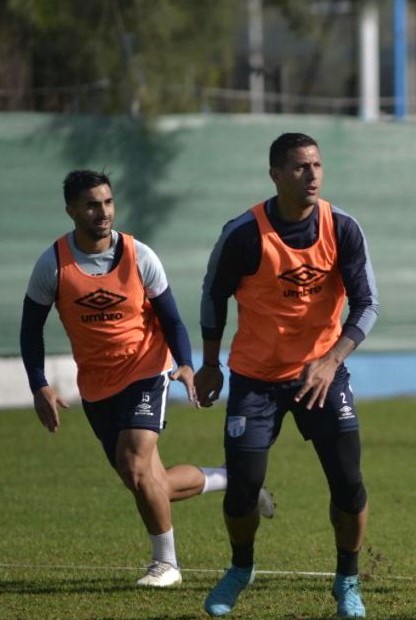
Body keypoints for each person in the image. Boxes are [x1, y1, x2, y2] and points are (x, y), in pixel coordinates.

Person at [18, 170, 275, 588]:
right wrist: (38, 383)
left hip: (146, 368)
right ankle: (236, 478)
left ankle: (166, 565)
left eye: (107, 202)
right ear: (71, 210)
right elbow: (30, 329)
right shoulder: (53, 263)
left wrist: (186, 364)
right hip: (98, 384)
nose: (102, 212)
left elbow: (171, 318)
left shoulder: (140, 256)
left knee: (135, 463)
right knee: (148, 483)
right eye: (90, 204)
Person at [195, 132, 379, 618]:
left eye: (317, 164)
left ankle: (347, 580)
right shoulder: (244, 234)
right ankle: (241, 568)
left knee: (348, 484)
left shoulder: (342, 228)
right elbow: (213, 295)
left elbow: (367, 305)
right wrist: (211, 364)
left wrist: (332, 359)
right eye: (300, 167)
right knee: (241, 490)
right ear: (275, 174)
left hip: (323, 374)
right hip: (255, 378)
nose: (312, 174)